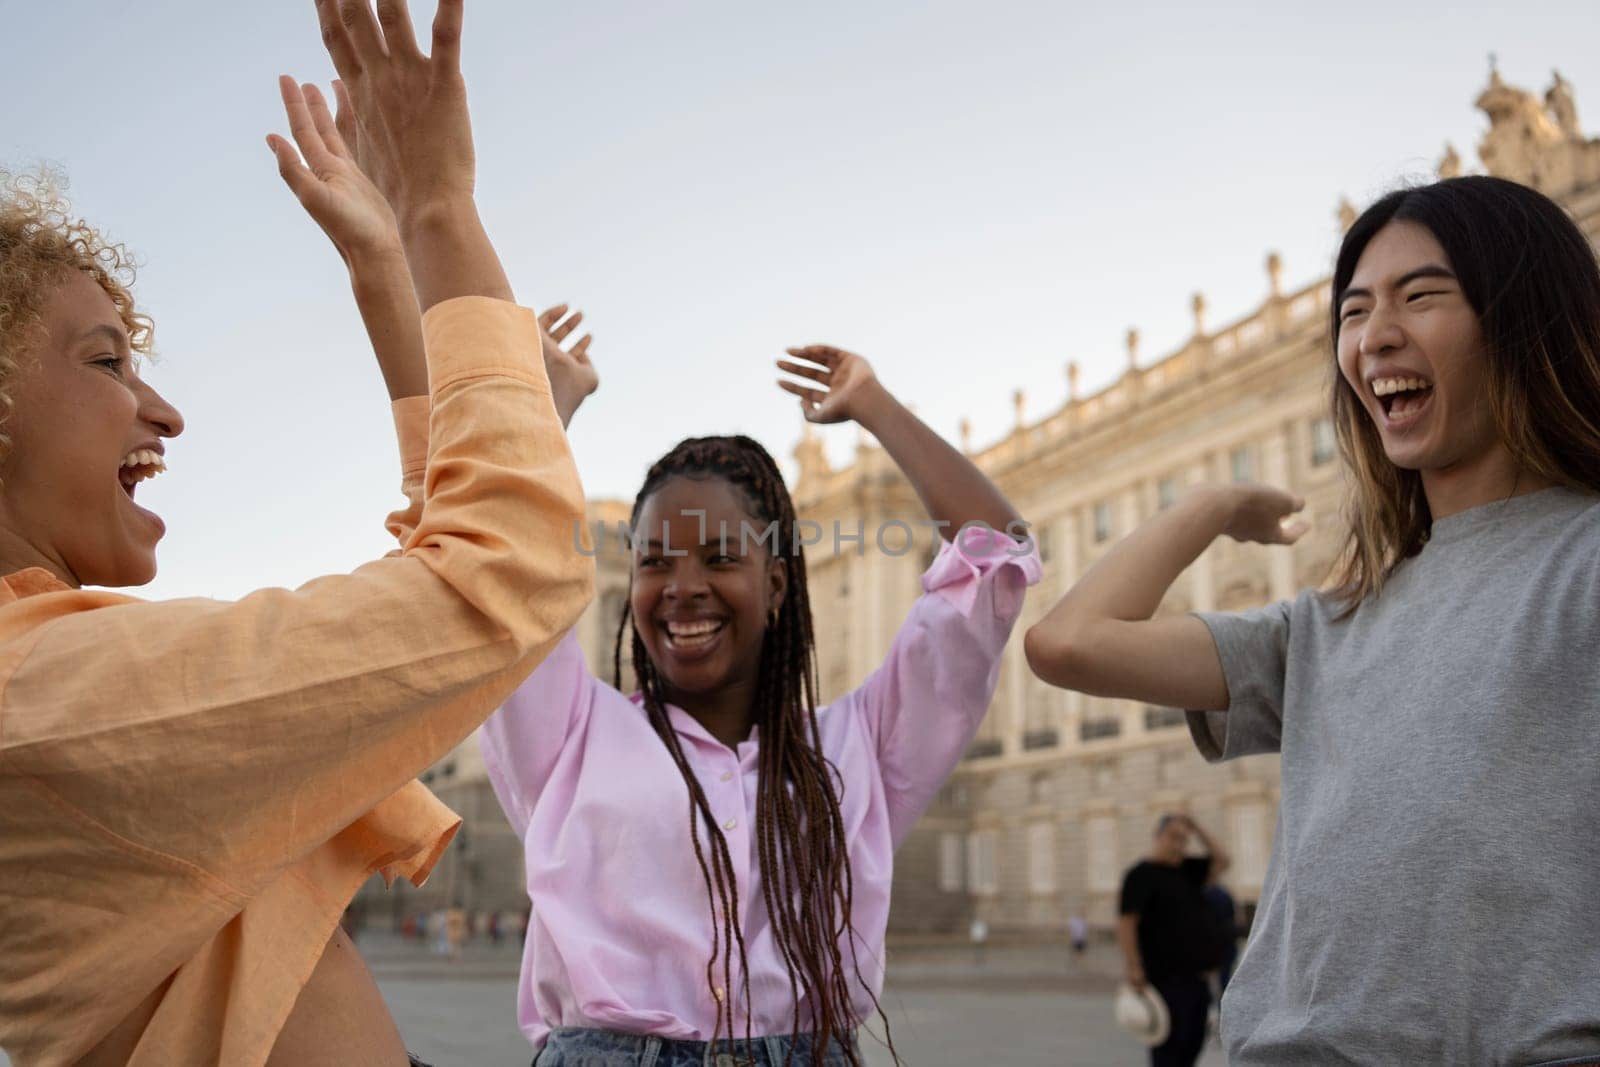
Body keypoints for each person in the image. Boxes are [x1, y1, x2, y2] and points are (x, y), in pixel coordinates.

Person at [0, 1, 595, 1064]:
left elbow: (446, 570)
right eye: (105, 362)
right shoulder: (43, 694)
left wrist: (381, 273)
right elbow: (499, 573)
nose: (164, 409)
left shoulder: (50, 675)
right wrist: (438, 210)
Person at [1024, 175, 1600, 1064]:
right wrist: (1210, 502)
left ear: (1524, 318)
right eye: (1355, 310)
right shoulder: (1327, 622)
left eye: (1422, 296)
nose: (1375, 335)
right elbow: (1068, 642)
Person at [481, 345, 1041, 1066]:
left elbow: (996, 561)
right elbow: (491, 560)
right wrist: (541, 420)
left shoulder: (862, 745)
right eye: (654, 560)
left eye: (719, 558)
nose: (682, 585)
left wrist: (876, 406)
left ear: (776, 585)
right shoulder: (567, 733)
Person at [1116, 814, 1229, 1067]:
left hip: (1198, 980)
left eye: (1183, 839)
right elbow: (1126, 924)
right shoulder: (1139, 875)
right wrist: (1133, 966)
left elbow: (1223, 859)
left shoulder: (1188, 871)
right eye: (1173, 837)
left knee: (1192, 1046)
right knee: (1168, 1052)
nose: (1179, 844)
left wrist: (1197, 826)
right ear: (1158, 836)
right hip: (1164, 981)